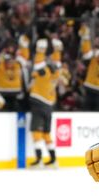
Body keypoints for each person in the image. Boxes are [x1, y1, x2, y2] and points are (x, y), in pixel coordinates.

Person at [28, 38, 64, 169]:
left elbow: (37, 64)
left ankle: (38, 160)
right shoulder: (56, 74)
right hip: (49, 106)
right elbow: (58, 63)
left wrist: (40, 50)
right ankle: (53, 160)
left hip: (38, 103)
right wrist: (57, 50)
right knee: (46, 133)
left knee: (36, 132)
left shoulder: (43, 72)